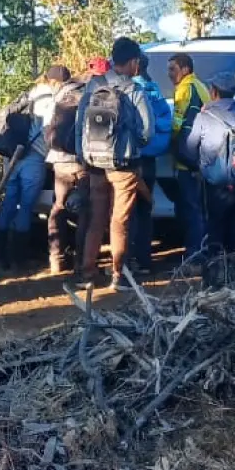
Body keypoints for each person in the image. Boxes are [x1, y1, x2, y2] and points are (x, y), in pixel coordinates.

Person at [75, 37, 153, 289]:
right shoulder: (134, 90)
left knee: (96, 219)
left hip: (95, 164)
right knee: (119, 221)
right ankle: (118, 275)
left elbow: (79, 127)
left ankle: (88, 274)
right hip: (124, 166)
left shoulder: (93, 85)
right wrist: (133, 145)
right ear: (132, 62)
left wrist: (84, 156)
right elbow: (147, 131)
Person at [0, 66, 69, 271]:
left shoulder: (27, 96)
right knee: (26, 205)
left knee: (9, 201)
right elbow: (46, 134)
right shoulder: (50, 100)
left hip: (12, 156)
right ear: (58, 82)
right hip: (32, 158)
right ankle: (18, 257)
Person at [181, 71, 235, 281]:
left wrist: (200, 165)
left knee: (214, 230)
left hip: (213, 184)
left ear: (213, 92)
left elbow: (189, 148)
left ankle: (213, 279)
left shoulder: (204, 117)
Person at [130, 53, 173, 276]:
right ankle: (145, 261)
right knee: (146, 209)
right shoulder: (154, 89)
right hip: (151, 159)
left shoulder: (130, 90)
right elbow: (166, 120)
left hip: (132, 159)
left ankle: (128, 262)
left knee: (127, 210)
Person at [45, 68, 89, 274]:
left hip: (59, 161)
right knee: (84, 212)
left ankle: (56, 258)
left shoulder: (59, 97)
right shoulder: (90, 94)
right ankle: (82, 261)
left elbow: (48, 130)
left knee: (58, 207)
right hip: (83, 162)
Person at [167, 53, 210, 263]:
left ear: (185, 69)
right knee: (197, 207)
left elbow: (176, 124)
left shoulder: (185, 89)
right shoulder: (201, 86)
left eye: (173, 69)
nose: (169, 74)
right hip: (200, 155)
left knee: (190, 207)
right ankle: (199, 249)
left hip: (186, 160)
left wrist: (169, 142)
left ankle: (194, 254)